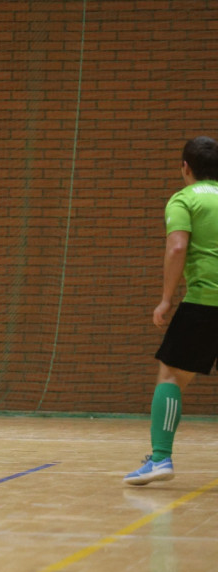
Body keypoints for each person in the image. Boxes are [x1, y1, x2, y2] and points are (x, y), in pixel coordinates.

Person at [125, 136, 218, 485]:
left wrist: (166, 299)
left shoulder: (184, 199)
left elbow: (178, 246)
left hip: (205, 302)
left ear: (185, 167)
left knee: (170, 375)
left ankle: (161, 459)